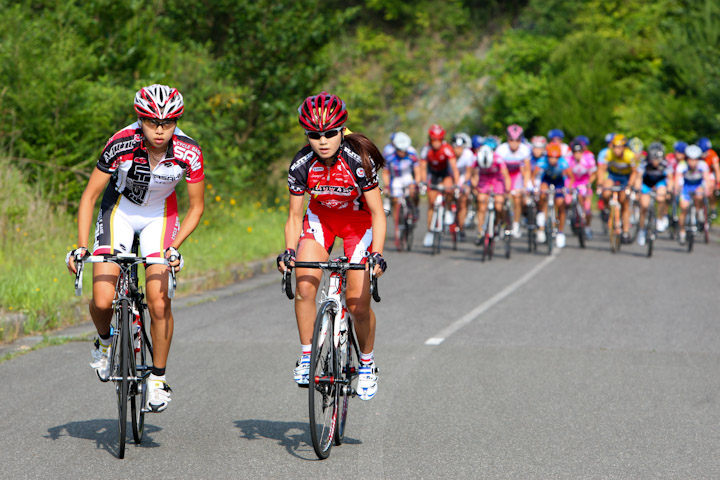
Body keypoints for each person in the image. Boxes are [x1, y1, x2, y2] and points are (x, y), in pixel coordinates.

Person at [65, 84, 205, 413]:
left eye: (168, 123)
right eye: (152, 123)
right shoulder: (121, 143)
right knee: (102, 299)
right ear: (139, 120)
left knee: (158, 302)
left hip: (161, 214)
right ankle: (104, 340)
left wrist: (174, 247)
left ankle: (157, 379)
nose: (160, 130)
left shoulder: (189, 151)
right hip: (120, 211)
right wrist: (82, 246)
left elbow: (196, 207)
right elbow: (88, 197)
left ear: (177, 122)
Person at [277, 92, 387, 401]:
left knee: (357, 302)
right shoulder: (301, 164)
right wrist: (289, 250)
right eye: (314, 134)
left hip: (357, 222)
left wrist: (377, 253)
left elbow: (378, 213)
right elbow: (295, 215)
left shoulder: (358, 161)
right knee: (305, 286)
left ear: (342, 131)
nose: (323, 140)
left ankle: (366, 364)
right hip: (321, 218)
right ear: (307, 135)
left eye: (330, 133)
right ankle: (308, 355)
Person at [419, 124, 459, 247]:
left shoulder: (447, 148)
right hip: (432, 174)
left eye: (439, 140)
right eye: (433, 140)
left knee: (448, 187)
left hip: (444, 173)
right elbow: (423, 168)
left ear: (442, 140)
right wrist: (424, 182)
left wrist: (456, 184)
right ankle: (430, 232)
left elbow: (454, 168)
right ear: (430, 140)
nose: (436, 143)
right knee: (431, 202)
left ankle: (447, 208)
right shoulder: (426, 149)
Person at [597, 134, 638, 243]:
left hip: (625, 178)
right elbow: (602, 169)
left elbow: (634, 172)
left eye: (619, 147)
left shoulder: (630, 156)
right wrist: (600, 183)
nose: (616, 150)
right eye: (614, 146)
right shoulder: (609, 153)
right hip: (613, 176)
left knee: (624, 202)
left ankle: (625, 231)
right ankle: (606, 209)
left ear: (624, 147)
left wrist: (629, 185)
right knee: (606, 192)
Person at [382, 131, 420, 249]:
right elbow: (385, 173)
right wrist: (387, 185)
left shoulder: (412, 155)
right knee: (394, 200)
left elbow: (417, 172)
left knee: (413, 191)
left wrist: (415, 183)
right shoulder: (390, 157)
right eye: (399, 150)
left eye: (403, 151)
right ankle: (398, 223)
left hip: (407, 177)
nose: (402, 153)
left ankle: (413, 208)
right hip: (396, 179)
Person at [494, 124, 531, 239]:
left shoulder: (524, 149)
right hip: (503, 175)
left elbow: (527, 169)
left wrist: (525, 186)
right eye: (511, 140)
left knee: (517, 197)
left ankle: (516, 224)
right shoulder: (501, 149)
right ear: (507, 139)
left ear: (521, 140)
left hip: (517, 175)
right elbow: (496, 169)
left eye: (517, 140)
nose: (514, 143)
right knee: (500, 202)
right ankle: (501, 223)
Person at [470, 145, 511, 243]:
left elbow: (506, 176)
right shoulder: (476, 159)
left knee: (499, 203)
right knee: (481, 201)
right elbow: (473, 175)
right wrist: (474, 187)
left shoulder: (498, 160)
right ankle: (480, 231)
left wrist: (507, 191)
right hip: (484, 179)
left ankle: (501, 221)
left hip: (497, 180)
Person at [635, 142, 673, 245]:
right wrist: (637, 190)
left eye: (658, 159)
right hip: (646, 184)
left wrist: (669, 191)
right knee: (644, 206)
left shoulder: (666, 163)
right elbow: (638, 177)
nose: (655, 161)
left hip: (659, 183)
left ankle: (660, 217)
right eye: (653, 158)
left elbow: (670, 179)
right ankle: (642, 230)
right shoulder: (644, 163)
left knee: (661, 197)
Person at [535, 143, 573, 247]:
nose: (553, 160)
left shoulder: (563, 163)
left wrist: (568, 188)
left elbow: (571, 177)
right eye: (551, 157)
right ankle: (541, 215)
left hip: (559, 182)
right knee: (542, 193)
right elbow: (534, 175)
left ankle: (560, 233)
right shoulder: (542, 161)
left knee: (561, 205)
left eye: (556, 157)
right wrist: (535, 187)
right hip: (546, 180)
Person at [675, 144, 711, 245]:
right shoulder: (682, 165)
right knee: (683, 208)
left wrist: (707, 189)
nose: (693, 162)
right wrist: (677, 189)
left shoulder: (702, 165)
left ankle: (699, 212)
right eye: (690, 159)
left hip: (697, 186)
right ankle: (682, 232)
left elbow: (707, 179)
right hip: (686, 187)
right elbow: (677, 180)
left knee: (699, 196)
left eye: (695, 159)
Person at [566, 138, 597, 239]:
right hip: (573, 181)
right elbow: (566, 174)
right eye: (575, 152)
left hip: (584, 182)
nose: (577, 155)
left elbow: (593, 174)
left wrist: (589, 183)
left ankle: (587, 227)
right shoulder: (568, 159)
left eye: (579, 152)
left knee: (587, 208)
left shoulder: (589, 158)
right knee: (567, 200)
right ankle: (571, 214)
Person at [450, 132, 475, 240]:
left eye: (460, 148)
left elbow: (469, 172)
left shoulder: (468, 155)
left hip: (464, 176)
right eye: (456, 147)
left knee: (463, 200)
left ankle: (461, 226)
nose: (458, 150)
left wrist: (464, 184)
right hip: (451, 176)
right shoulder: (449, 154)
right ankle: (448, 212)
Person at [697, 137, 720, 219]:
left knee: (711, 189)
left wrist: (718, 183)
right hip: (699, 174)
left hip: (709, 173)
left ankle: (713, 208)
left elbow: (717, 170)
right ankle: (698, 210)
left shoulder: (712, 154)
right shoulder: (697, 155)